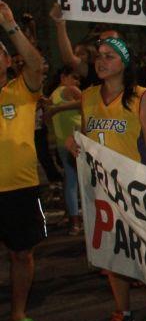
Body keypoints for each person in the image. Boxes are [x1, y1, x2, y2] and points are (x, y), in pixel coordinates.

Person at [65, 36, 146, 321]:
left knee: (145, 259)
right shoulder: (88, 96)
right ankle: (123, 311)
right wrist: (74, 142)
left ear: (124, 63)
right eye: (99, 56)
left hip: (134, 193)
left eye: (110, 56)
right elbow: (87, 137)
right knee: (112, 256)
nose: (101, 61)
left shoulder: (141, 97)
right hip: (103, 190)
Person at [0, 0, 46, 321]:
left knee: (22, 253)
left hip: (20, 189)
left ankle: (18, 314)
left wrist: (10, 26)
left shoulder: (21, 90)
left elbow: (35, 63)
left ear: (7, 60)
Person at [47, 67, 83, 235]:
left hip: (64, 141)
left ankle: (73, 220)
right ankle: (75, 221)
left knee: (70, 182)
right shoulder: (69, 90)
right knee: (75, 182)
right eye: (74, 77)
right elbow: (86, 102)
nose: (77, 82)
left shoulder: (54, 95)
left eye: (78, 79)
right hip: (75, 140)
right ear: (63, 76)